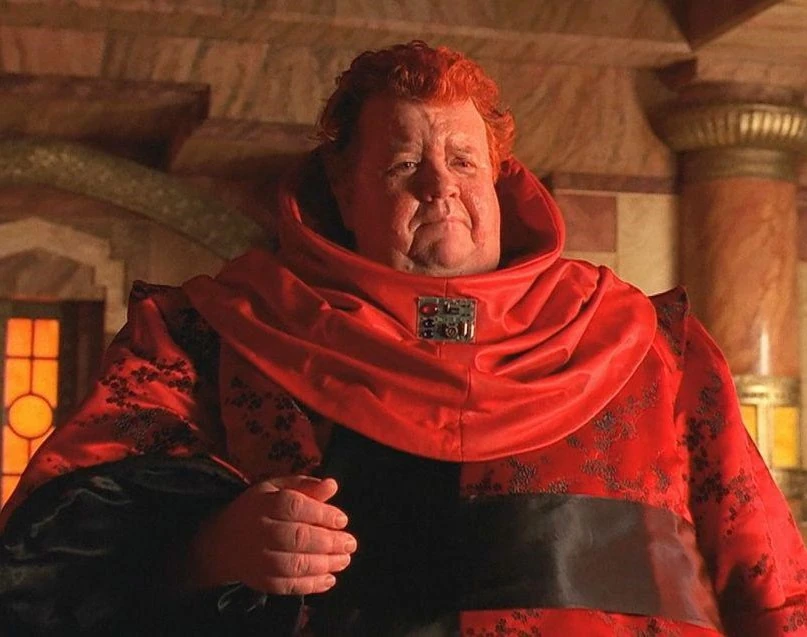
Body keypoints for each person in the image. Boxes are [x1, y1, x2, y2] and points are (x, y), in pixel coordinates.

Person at [0, 40, 806, 637]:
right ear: (342, 191)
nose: (439, 187)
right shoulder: (203, 338)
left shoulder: (653, 346)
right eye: (401, 165)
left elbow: (772, 585)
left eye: (463, 161)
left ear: (500, 180)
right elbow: (45, 568)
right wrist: (206, 552)